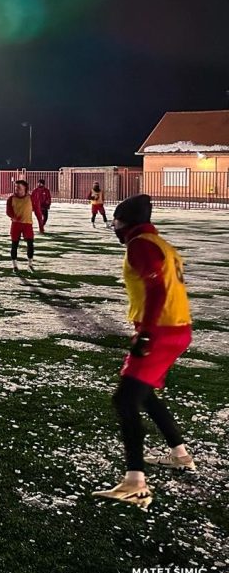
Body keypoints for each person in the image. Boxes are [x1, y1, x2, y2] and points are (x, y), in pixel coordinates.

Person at [92, 195, 195, 511]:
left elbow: (157, 289)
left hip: (161, 331)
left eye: (117, 221)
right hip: (178, 328)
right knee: (144, 395)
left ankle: (135, 483)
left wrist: (147, 332)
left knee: (124, 400)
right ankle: (180, 454)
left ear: (127, 223)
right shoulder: (160, 243)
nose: (115, 227)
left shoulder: (140, 245)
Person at [6, 179, 38, 272]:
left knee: (30, 244)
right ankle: (15, 266)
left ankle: (30, 264)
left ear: (25, 188)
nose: (16, 189)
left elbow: (36, 209)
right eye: (15, 187)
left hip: (27, 224)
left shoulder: (30, 198)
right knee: (14, 244)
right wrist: (13, 217)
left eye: (19, 187)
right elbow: (8, 211)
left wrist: (41, 224)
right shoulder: (11, 199)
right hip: (16, 225)